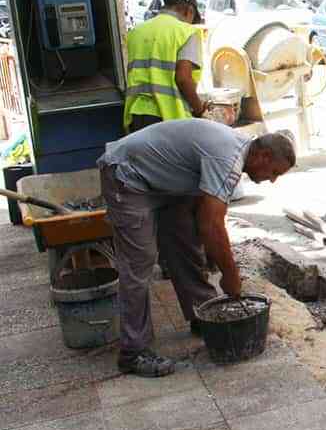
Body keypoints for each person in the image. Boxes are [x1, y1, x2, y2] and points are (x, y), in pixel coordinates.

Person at [98, 121, 296, 377]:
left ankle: (202, 316)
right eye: (274, 172)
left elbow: (204, 217)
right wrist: (231, 275)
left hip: (160, 180)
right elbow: (211, 224)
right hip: (127, 174)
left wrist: (213, 255)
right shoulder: (227, 157)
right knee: (139, 263)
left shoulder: (236, 150)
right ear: (264, 155)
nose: (272, 180)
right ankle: (133, 352)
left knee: (184, 239)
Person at [123, 0, 206, 134]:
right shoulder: (187, 32)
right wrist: (200, 110)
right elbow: (183, 79)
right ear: (189, 11)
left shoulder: (137, 31)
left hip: (136, 113)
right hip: (168, 117)